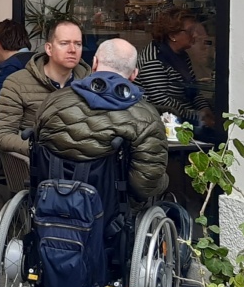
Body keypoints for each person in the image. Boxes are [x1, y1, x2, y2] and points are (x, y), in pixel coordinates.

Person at [35, 38, 169, 205]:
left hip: (50, 203)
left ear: (95, 63)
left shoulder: (54, 101)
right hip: (109, 216)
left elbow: (37, 147)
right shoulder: (146, 117)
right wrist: (164, 181)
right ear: (134, 74)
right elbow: (143, 186)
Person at [0, 19, 91, 156]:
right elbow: (1, 135)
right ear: (49, 48)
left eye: (78, 44)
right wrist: (41, 150)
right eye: (64, 43)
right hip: (37, 166)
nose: (72, 50)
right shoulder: (17, 83)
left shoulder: (91, 84)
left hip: (85, 165)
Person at [135, 7, 214, 130]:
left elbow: (193, 90)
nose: (195, 35)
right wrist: (199, 116)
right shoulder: (153, 60)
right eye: (190, 31)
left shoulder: (181, 55)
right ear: (172, 35)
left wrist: (205, 108)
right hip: (163, 123)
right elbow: (162, 101)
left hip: (185, 118)